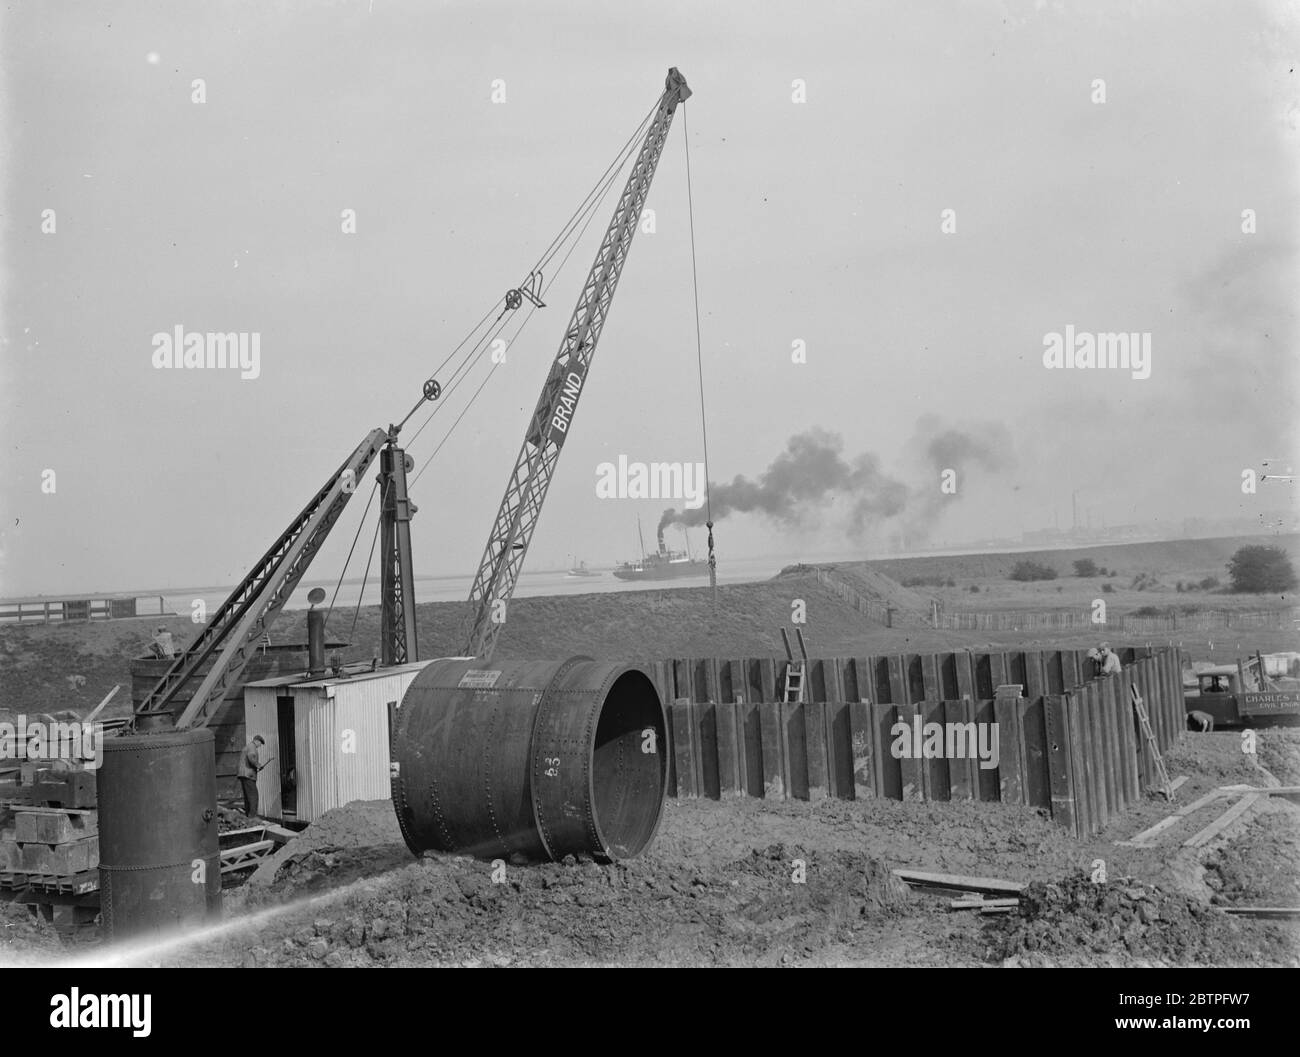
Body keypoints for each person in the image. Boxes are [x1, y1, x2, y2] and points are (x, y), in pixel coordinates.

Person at [237, 735, 270, 819]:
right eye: (260, 743)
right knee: (253, 796)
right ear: (257, 741)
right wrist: (258, 765)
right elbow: (251, 757)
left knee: (247, 796)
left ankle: (248, 815)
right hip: (248, 775)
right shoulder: (252, 747)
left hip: (243, 774)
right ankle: (252, 816)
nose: (260, 746)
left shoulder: (247, 746)